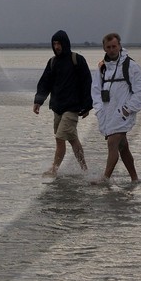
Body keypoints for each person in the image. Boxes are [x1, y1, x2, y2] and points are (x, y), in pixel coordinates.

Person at [90, 32, 141, 184]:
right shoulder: (102, 67)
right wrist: (99, 109)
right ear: (104, 48)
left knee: (112, 143)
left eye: (114, 46)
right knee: (123, 147)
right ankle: (135, 179)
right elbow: (95, 90)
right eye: (108, 47)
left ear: (120, 46)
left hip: (124, 114)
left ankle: (105, 178)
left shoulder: (131, 66)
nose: (111, 49)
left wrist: (127, 109)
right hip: (107, 114)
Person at [32, 29, 91, 176]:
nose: (57, 46)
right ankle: (85, 169)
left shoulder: (77, 59)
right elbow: (45, 82)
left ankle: (54, 169)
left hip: (72, 108)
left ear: (65, 43)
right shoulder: (52, 62)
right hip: (57, 107)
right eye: (54, 44)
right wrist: (38, 101)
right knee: (72, 139)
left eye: (59, 43)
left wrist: (88, 105)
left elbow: (87, 83)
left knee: (59, 138)